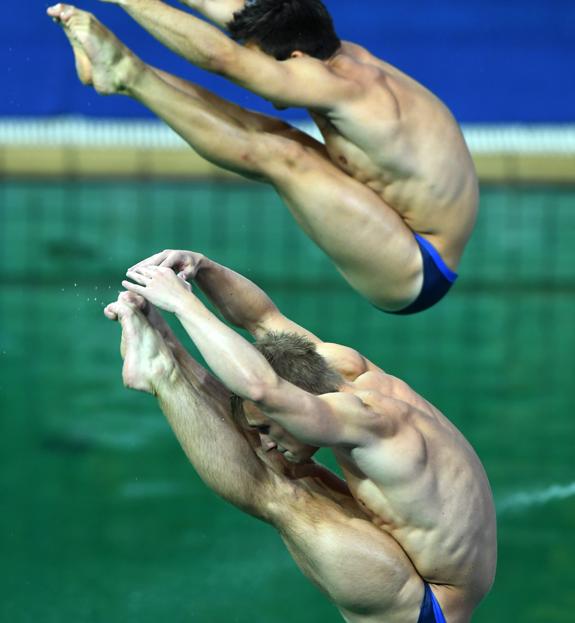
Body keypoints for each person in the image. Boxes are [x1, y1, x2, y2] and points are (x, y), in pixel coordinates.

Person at [103, 249, 497, 622]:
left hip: (427, 607)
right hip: (425, 573)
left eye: (270, 429)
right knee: (285, 459)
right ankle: (165, 349)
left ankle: (162, 372)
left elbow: (262, 390)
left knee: (277, 492)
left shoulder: (367, 419)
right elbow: (261, 317)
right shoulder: (336, 367)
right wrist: (203, 267)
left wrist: (184, 304)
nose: (266, 441)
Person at [48, 0, 478, 314]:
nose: (262, 71)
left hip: (418, 267)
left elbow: (223, 58)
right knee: (278, 135)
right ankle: (119, 67)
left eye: (268, 65)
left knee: (283, 155)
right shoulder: (327, 50)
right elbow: (232, 16)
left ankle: (125, 74)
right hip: (402, 221)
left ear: (295, 59)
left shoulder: (345, 91)